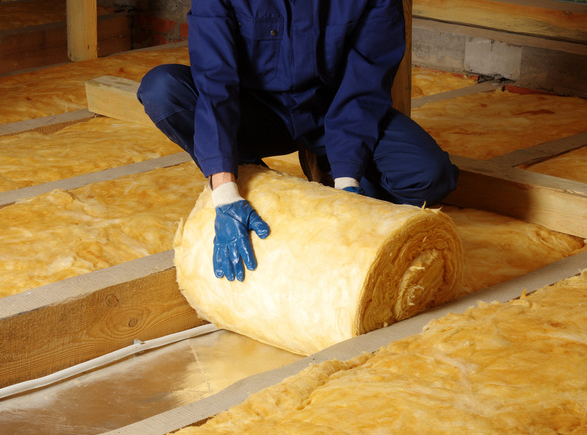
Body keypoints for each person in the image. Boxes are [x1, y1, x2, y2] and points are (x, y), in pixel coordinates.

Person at [137, 0, 459, 282]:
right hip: (253, 112)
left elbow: (363, 88)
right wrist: (224, 192)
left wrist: (348, 183)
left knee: (429, 174)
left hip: (330, 112)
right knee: (162, 89)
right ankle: (257, 181)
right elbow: (215, 82)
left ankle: (327, 164)